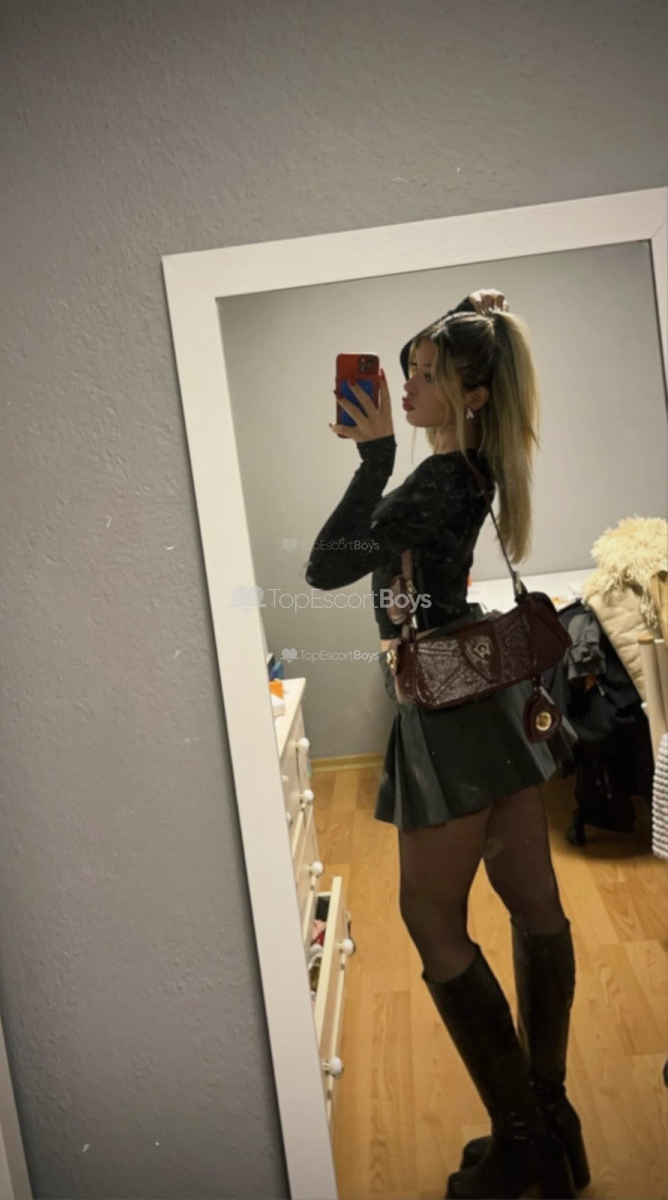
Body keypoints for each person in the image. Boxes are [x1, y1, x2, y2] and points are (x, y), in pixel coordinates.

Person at [304, 289, 590, 1199]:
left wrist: (372, 456)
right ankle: (551, 1120)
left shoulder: (435, 476)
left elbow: (325, 565)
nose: (405, 385)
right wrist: (465, 317)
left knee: (430, 917)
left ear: (471, 394)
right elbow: (455, 361)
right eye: (407, 372)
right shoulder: (470, 467)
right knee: (530, 900)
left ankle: (522, 1143)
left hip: (446, 711)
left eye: (426, 376)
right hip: (487, 703)